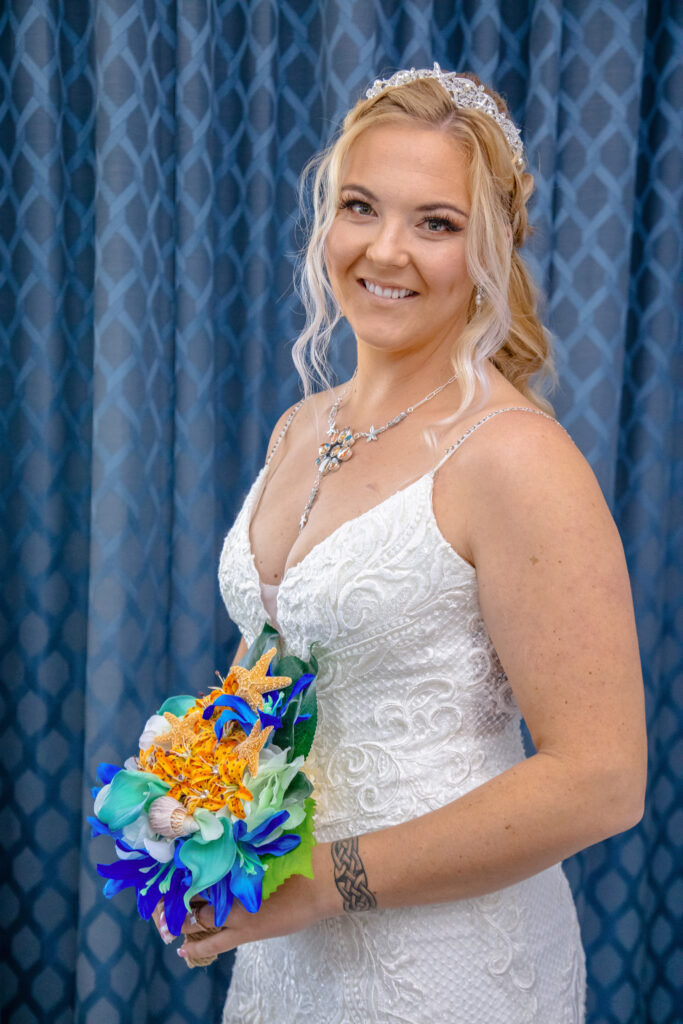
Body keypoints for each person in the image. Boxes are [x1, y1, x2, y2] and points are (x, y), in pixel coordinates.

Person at [154, 65, 647, 1022]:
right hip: (287, 951)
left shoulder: (512, 457)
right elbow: (272, 668)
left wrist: (319, 886)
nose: (386, 251)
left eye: (436, 223)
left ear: (490, 253)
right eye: (360, 206)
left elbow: (601, 783)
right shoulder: (302, 426)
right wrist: (197, 811)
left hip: (450, 960)